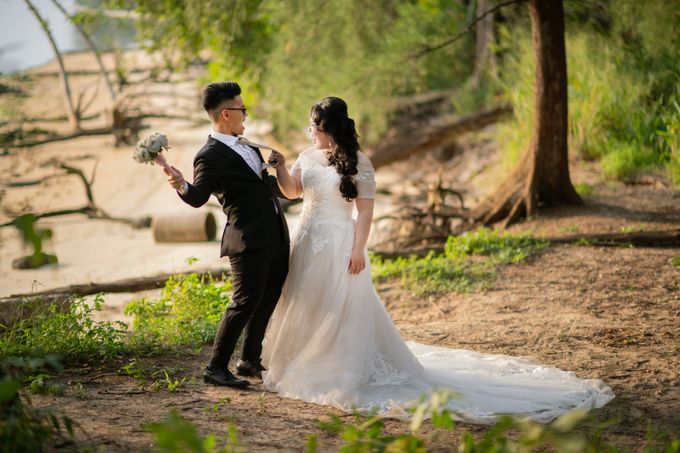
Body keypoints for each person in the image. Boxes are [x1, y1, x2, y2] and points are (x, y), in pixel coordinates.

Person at [260, 96, 614, 423]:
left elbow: (366, 213)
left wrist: (357, 250)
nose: (311, 132)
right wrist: (280, 167)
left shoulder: (360, 163)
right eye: (311, 127)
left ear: (331, 129)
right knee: (306, 301)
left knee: (340, 308)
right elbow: (293, 192)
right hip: (308, 240)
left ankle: (333, 367)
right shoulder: (306, 156)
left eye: (316, 127)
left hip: (340, 242)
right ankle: (297, 357)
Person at [165, 81, 290, 388]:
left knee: (268, 297)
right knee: (244, 302)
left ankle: (249, 360)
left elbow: (264, 188)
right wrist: (181, 184)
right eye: (241, 109)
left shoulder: (246, 145)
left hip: (274, 234)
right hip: (246, 240)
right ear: (225, 114)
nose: (245, 113)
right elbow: (197, 198)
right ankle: (216, 367)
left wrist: (283, 175)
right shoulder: (209, 155)